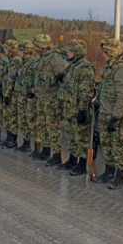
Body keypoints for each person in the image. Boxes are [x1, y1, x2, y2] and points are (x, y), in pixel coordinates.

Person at [92, 38, 123, 190]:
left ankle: (119, 178)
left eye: (105, 52)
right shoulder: (110, 68)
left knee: (118, 147)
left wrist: (116, 117)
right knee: (106, 145)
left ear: (112, 53)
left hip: (116, 115)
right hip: (105, 113)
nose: (103, 55)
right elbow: (104, 90)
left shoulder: (122, 70)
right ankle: (108, 173)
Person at [56, 39, 96, 175]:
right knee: (71, 135)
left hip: (78, 107)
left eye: (71, 51)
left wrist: (83, 109)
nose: (68, 53)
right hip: (69, 106)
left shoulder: (85, 68)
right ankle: (72, 159)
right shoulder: (72, 66)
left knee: (81, 137)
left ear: (78, 53)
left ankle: (82, 164)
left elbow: (86, 91)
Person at [31, 34, 67, 166]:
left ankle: (57, 154)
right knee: (42, 125)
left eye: (36, 45)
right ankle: (45, 151)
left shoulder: (54, 58)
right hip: (41, 97)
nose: (35, 48)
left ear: (42, 46)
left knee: (52, 127)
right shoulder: (41, 59)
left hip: (51, 98)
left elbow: (62, 77)